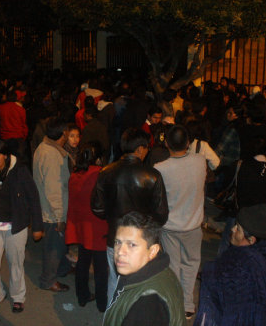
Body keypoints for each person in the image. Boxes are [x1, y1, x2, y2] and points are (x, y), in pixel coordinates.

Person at [91, 127, 169, 304]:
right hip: (141, 241)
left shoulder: (105, 172)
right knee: (140, 286)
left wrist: (113, 218)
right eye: (146, 148)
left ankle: (113, 319)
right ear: (140, 149)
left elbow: (97, 207)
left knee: (115, 281)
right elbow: (162, 214)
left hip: (115, 238)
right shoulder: (152, 175)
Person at [195, 204, 266, 326]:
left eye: (238, 229)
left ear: (251, 240)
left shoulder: (241, 268)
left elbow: (229, 311)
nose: (233, 230)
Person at [0, 139, 44, 314]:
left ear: (6, 155)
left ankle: (18, 297)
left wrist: (37, 226)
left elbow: (33, 198)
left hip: (15, 227)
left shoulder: (20, 171)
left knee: (16, 263)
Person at [154, 125, 206, 319]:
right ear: (188, 142)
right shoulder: (200, 161)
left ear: (166, 143)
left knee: (173, 266)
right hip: (193, 225)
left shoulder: (160, 169)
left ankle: (173, 302)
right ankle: (188, 304)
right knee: (191, 264)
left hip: (170, 226)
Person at [103, 211, 186, 326]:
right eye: (118, 242)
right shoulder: (160, 269)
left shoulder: (147, 304)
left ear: (152, 251)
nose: (120, 252)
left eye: (131, 245)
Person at [65, 142, 109, 312]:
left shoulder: (75, 175)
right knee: (100, 268)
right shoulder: (100, 174)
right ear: (98, 158)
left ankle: (82, 297)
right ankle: (102, 303)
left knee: (82, 263)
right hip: (98, 227)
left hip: (81, 226)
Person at [33, 117, 73, 292]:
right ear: (63, 133)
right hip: (52, 212)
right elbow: (53, 189)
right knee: (53, 248)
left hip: (48, 208)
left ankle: (63, 268)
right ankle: (48, 281)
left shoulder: (45, 147)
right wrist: (59, 217)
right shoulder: (51, 155)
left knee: (59, 244)